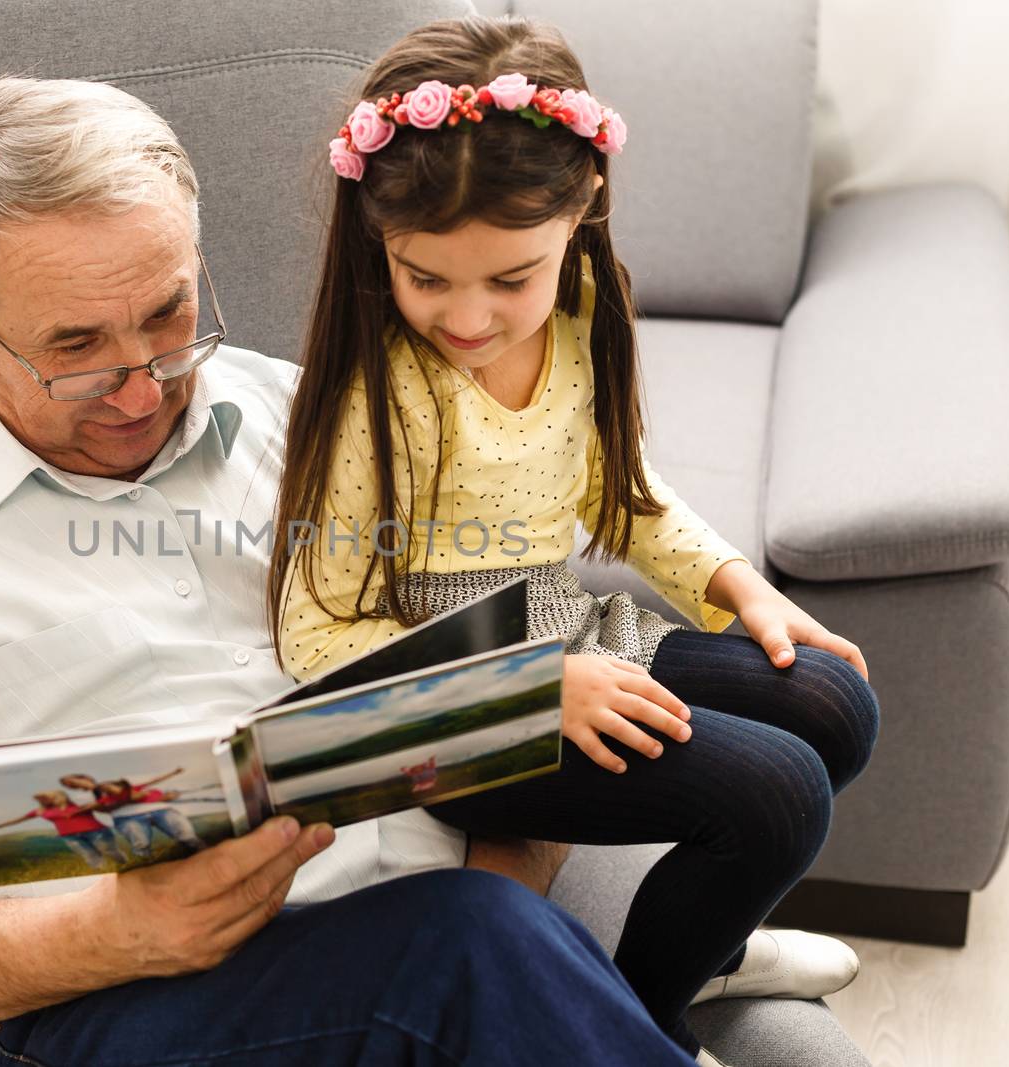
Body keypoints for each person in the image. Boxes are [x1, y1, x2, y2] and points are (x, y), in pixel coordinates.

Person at [0, 73, 694, 1065]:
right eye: (76, 349)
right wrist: (111, 931)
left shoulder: (322, 427)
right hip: (113, 1006)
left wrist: (511, 872)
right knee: (467, 946)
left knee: (479, 933)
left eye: (166, 315)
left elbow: (495, 672)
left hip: (433, 948)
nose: (139, 386)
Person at [269, 16, 882, 1065]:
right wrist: (528, 683)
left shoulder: (584, 311)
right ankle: (636, 1023)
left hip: (570, 635)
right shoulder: (379, 395)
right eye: (426, 278)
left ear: (583, 205)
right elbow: (316, 642)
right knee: (776, 794)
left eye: (509, 278)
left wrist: (739, 585)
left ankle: (699, 950)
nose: (467, 317)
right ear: (381, 243)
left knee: (834, 701)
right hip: (446, 707)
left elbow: (625, 496)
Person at [0, 789, 129, 869]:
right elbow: (21, 818)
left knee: (109, 851)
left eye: (59, 796)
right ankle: (105, 873)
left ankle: (125, 865)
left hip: (96, 831)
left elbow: (100, 803)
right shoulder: (41, 811)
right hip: (70, 836)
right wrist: (2, 825)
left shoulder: (78, 804)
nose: (57, 799)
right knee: (89, 856)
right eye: (54, 797)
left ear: (64, 796)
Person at [93, 776, 208, 858]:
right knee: (141, 844)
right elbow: (103, 807)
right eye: (104, 789)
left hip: (159, 810)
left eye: (110, 786)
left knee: (187, 836)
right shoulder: (104, 801)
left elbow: (156, 796)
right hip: (126, 817)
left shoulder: (146, 791)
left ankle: (203, 854)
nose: (108, 789)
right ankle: (147, 866)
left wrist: (167, 796)